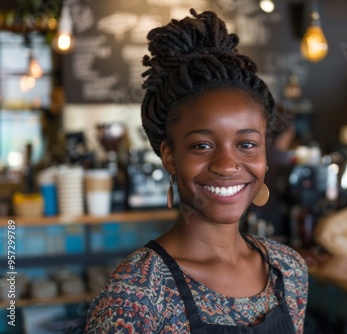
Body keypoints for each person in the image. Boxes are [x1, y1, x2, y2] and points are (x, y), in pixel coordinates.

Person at [85, 9, 308, 333]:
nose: (227, 165)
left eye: (246, 144)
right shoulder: (136, 295)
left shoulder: (288, 269)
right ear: (170, 156)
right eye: (202, 146)